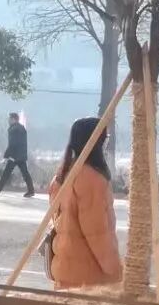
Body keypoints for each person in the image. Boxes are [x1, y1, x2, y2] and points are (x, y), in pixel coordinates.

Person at [47, 116, 122, 290]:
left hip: (64, 268)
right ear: (96, 142)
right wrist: (115, 269)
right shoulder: (91, 179)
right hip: (88, 276)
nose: (106, 143)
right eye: (105, 138)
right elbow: (97, 232)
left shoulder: (63, 174)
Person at [0, 112, 35, 197]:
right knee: (25, 173)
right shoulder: (21, 128)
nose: (8, 120)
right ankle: (31, 190)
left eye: (9, 119)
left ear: (13, 119)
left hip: (14, 156)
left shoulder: (13, 129)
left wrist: (6, 155)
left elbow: (12, 144)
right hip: (21, 155)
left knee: (6, 173)